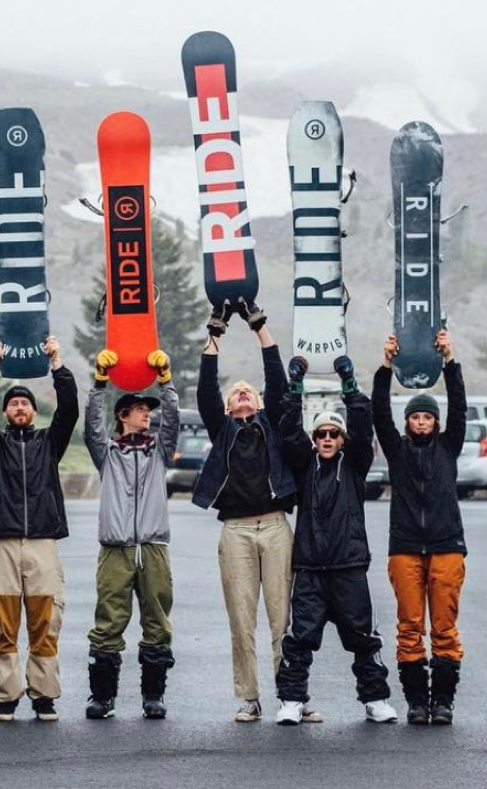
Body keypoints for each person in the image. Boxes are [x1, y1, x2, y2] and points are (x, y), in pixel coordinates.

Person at [192, 299, 314, 723]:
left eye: (249, 391)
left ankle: (291, 696)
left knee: (283, 618)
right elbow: (206, 386)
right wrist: (217, 331)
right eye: (235, 392)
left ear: (259, 404)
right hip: (237, 532)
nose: (242, 390)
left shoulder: (274, 426)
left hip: (277, 526)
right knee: (241, 620)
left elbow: (277, 380)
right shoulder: (222, 428)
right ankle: (249, 697)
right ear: (228, 408)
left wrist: (259, 325)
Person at [274, 354, 398, 725]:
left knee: (364, 639)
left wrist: (349, 382)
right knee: (298, 641)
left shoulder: (356, 463)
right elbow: (288, 431)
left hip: (348, 568)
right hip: (310, 569)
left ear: (342, 439)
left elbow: (363, 421)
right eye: (321, 434)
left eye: (333, 434)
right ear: (315, 440)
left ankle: (375, 700)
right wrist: (295, 387)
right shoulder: (304, 465)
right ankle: (292, 701)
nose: (327, 438)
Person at [0, 336, 78, 722]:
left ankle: (44, 696)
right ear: (5, 412)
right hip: (2, 542)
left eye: (25, 403)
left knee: (46, 620)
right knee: (1, 622)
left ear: (33, 412)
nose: (19, 407)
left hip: (43, 542)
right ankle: (6, 697)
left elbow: (70, 411)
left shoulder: (50, 443)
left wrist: (57, 363)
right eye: (13, 403)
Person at [373, 329, 467, 725]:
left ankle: (442, 702)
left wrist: (450, 361)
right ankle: (416, 701)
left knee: (445, 629)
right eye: (416, 416)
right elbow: (379, 411)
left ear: (436, 422)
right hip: (406, 548)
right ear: (408, 421)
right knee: (409, 627)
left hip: (447, 546)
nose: (422, 421)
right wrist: (386, 366)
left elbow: (459, 406)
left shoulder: (450, 446)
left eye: (428, 416)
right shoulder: (396, 451)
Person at [82, 348, 179, 720]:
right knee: (108, 622)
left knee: (157, 621)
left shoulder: (158, 451)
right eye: (140, 409)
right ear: (123, 416)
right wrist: (100, 383)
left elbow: (171, 421)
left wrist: (166, 380)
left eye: (148, 409)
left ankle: (152, 696)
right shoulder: (106, 453)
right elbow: (92, 424)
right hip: (115, 549)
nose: (147, 414)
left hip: (153, 548)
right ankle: (102, 698)